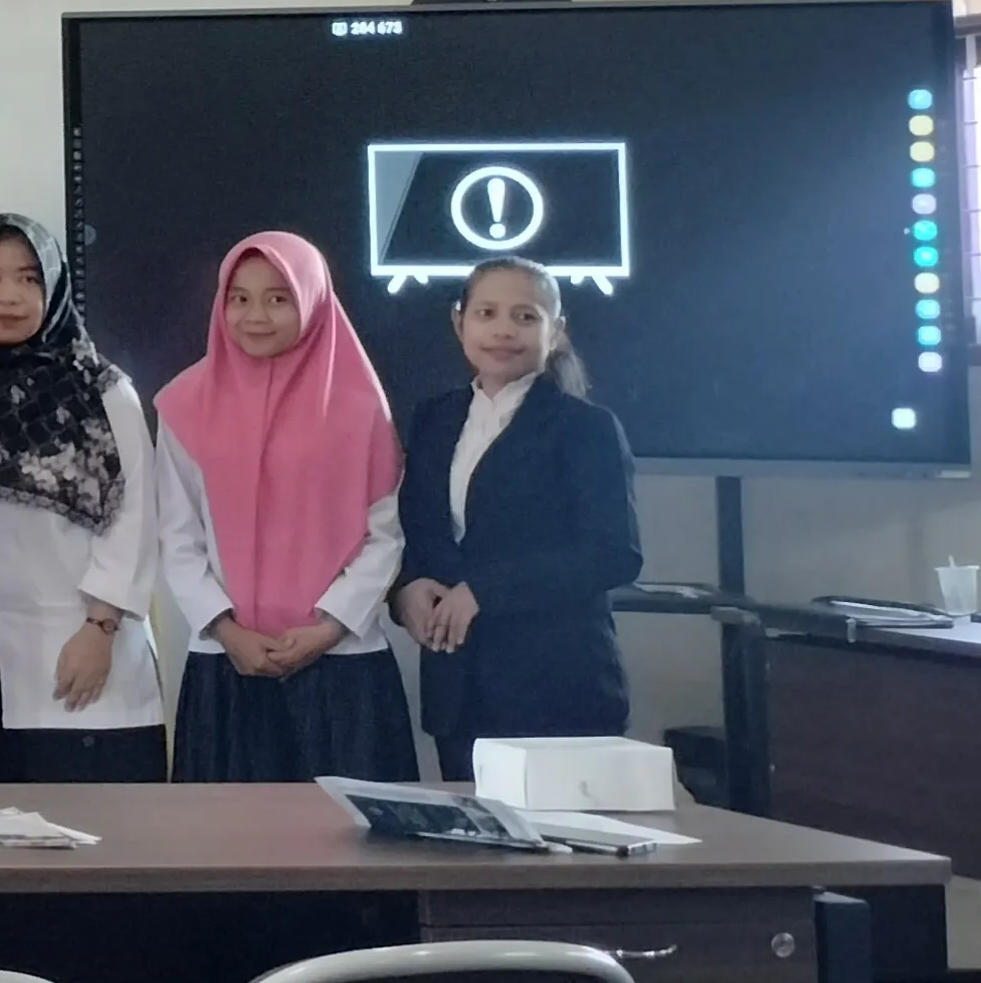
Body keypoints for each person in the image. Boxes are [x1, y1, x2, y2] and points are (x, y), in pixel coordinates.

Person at [158, 231, 412, 784]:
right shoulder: (184, 403)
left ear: (313, 301)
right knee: (227, 832)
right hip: (228, 660)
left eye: (278, 298)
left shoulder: (360, 407)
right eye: (239, 298)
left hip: (341, 662)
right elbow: (177, 534)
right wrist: (226, 630)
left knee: (346, 835)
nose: (256, 316)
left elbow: (385, 532)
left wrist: (329, 627)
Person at [0, 213, 167, 785]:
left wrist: (101, 628)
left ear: (54, 289)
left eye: (29, 279)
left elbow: (136, 515)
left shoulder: (102, 390)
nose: (8, 296)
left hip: (85, 650)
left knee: (100, 831)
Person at [394, 257, 641, 782]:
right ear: (459, 322)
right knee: (471, 833)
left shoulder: (586, 427)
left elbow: (613, 553)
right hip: (457, 687)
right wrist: (407, 589)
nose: (504, 330)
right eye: (486, 313)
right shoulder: (434, 418)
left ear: (557, 331)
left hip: (558, 687)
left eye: (526, 317)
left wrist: (483, 591)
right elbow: (419, 529)